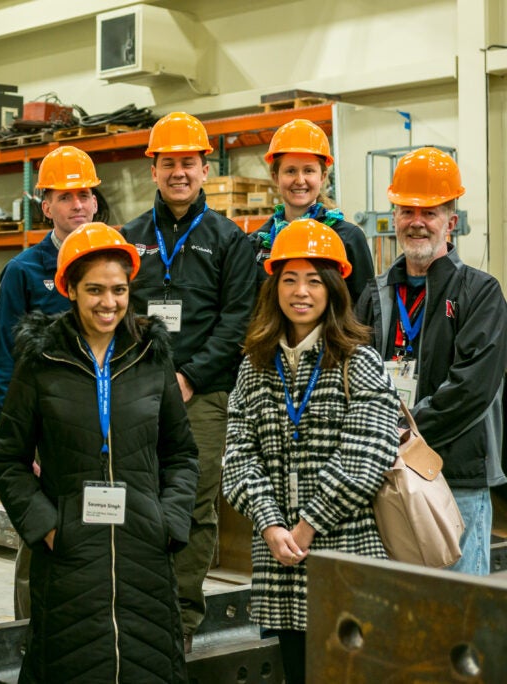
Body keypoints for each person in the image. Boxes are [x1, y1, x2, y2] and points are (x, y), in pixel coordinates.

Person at [0, 222, 199, 684]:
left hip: (143, 550)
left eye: (119, 290)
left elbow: (181, 453)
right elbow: (8, 458)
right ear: (69, 290)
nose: (109, 302)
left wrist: (167, 520)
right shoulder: (41, 360)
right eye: (95, 290)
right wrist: (46, 526)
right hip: (69, 554)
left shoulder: (152, 355)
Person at [223, 218, 398, 683]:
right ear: (274, 288)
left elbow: (367, 454)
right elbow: (237, 456)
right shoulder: (254, 365)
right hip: (279, 562)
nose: (301, 292)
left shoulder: (358, 360)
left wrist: (308, 524)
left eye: (314, 281)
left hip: (345, 556)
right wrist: (270, 522)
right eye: (290, 279)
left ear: (334, 289)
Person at [120, 111, 256, 650]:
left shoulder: (229, 240)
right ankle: (133, 612)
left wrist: (189, 378)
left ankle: (178, 623)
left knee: (195, 507)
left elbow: (238, 321)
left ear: (205, 168)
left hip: (203, 397)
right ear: (153, 168)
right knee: (133, 499)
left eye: (189, 162)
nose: (179, 172)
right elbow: (116, 315)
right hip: (135, 393)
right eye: (168, 162)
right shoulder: (129, 238)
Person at [356, 147, 507, 576]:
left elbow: (472, 388)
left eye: (430, 211)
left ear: (451, 221)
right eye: (407, 211)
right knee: (399, 610)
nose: (417, 222)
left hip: (455, 474)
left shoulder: (481, 294)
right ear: (395, 218)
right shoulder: (375, 294)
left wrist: (403, 434)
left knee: (458, 615)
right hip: (386, 476)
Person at [0, 145, 101, 620]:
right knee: (39, 535)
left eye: (85, 195)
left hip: (100, 424)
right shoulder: (22, 271)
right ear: (46, 206)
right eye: (65, 196)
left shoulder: (111, 264)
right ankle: (27, 636)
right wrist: (16, 438)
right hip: (42, 427)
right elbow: (3, 362)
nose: (78, 204)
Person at [250, 118, 374, 303]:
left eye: (308, 171)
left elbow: (365, 310)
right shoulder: (257, 243)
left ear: (323, 176)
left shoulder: (348, 237)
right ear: (275, 177)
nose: (300, 180)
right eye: (290, 171)